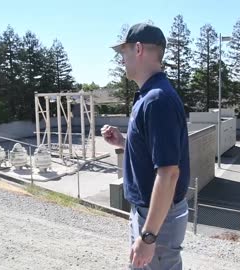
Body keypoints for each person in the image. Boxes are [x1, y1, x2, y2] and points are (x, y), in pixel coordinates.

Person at [101, 23, 190, 270]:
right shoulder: (148, 95)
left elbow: (169, 173)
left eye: (124, 52)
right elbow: (156, 154)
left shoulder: (157, 100)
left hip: (158, 218)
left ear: (138, 49)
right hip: (149, 213)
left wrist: (149, 235)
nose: (121, 60)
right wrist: (123, 142)